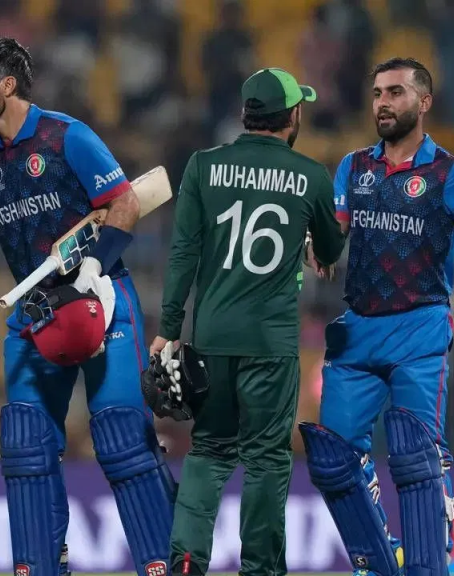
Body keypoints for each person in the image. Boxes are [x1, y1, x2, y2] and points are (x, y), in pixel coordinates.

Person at [0, 34, 175, 576]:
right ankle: (39, 567)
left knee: (123, 439)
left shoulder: (67, 136)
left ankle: (166, 564)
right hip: (37, 313)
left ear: (7, 85)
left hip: (103, 298)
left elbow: (125, 203)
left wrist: (94, 264)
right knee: (26, 446)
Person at [297, 57, 454, 576]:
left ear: (424, 102)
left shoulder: (450, 174)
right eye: (377, 94)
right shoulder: (354, 167)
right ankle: (381, 555)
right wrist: (317, 247)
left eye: (395, 92)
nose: (383, 103)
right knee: (335, 459)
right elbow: (334, 235)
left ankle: (432, 559)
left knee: (418, 455)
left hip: (419, 329)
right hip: (357, 332)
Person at [149, 67, 346, 576]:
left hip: (212, 337)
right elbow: (331, 250)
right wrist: (308, 241)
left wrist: (168, 328)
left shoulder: (202, 166)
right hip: (270, 343)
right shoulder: (311, 176)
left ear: (244, 114)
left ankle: (186, 561)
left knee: (208, 452)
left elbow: (184, 253)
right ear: (293, 115)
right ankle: (260, 570)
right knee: (266, 461)